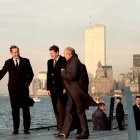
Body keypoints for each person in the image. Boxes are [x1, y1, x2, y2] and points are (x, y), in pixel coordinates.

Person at [56, 47, 97, 139]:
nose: (64, 55)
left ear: (69, 54)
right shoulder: (71, 61)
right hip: (72, 92)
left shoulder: (75, 61)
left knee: (80, 112)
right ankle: (64, 132)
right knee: (69, 111)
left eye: (65, 54)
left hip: (76, 92)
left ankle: (84, 133)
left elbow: (72, 76)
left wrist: (63, 72)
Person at [0, 45, 34, 134]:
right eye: (14, 52)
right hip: (13, 91)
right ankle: (16, 130)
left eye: (17, 52)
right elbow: (2, 73)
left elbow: (31, 74)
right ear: (11, 53)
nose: (16, 54)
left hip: (24, 90)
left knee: (26, 110)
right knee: (15, 110)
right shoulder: (8, 62)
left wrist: (27, 82)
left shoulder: (26, 61)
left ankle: (26, 130)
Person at [47, 45, 67, 131]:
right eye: (50, 53)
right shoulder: (49, 62)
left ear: (57, 52)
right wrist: (48, 89)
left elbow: (65, 76)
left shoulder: (63, 60)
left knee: (61, 108)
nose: (51, 55)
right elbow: (48, 75)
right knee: (55, 108)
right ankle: (59, 126)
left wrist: (65, 87)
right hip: (52, 89)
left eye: (52, 53)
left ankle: (63, 127)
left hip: (61, 89)